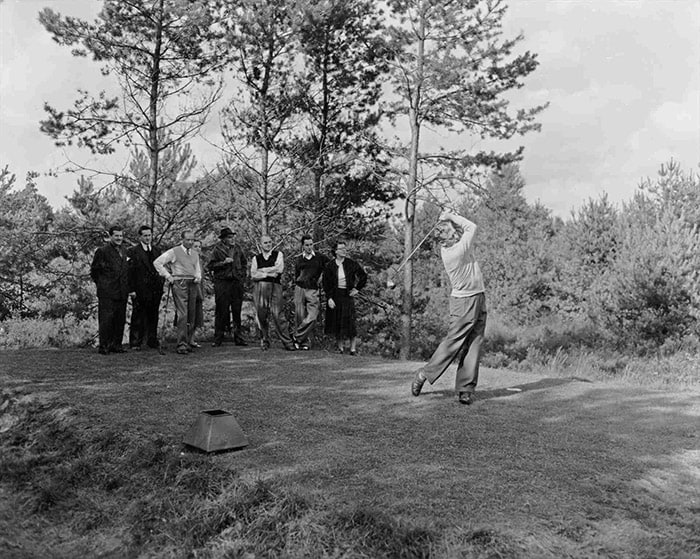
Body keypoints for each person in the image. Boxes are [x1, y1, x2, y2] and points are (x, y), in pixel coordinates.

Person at [410, 210, 487, 406]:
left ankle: (465, 389)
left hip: (478, 296)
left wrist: (448, 219)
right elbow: (472, 227)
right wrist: (451, 216)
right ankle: (424, 374)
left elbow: (464, 230)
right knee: (454, 342)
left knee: (474, 343)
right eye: (454, 232)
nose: (457, 233)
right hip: (464, 302)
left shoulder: (455, 245)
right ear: (450, 237)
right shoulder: (457, 251)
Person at [153, 230, 202, 355]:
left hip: (193, 282)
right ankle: (181, 344)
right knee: (183, 313)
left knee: (192, 313)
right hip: (180, 282)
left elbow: (197, 268)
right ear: (182, 240)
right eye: (188, 240)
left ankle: (188, 341)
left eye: (192, 240)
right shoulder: (174, 251)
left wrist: (198, 276)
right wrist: (168, 276)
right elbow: (157, 262)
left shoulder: (195, 253)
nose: (190, 242)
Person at [251, 234, 296, 351]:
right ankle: (264, 340)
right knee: (261, 314)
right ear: (261, 244)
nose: (268, 244)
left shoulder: (278, 255)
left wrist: (262, 271)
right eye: (265, 242)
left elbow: (279, 270)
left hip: (275, 286)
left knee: (278, 314)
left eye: (270, 242)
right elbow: (253, 275)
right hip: (260, 287)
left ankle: (287, 342)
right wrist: (268, 273)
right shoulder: (256, 258)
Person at [322, 240, 367, 355]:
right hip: (336, 295)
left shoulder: (351, 263)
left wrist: (357, 289)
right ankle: (340, 348)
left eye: (345, 249)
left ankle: (353, 349)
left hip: (347, 295)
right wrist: (329, 298)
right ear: (336, 251)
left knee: (350, 322)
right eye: (341, 249)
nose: (344, 251)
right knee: (337, 321)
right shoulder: (330, 266)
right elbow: (326, 284)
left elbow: (363, 276)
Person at [90, 225, 130, 354]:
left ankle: (116, 345)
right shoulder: (102, 251)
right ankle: (104, 346)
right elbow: (94, 271)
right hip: (107, 291)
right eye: (116, 236)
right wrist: (103, 284)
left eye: (121, 236)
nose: (119, 238)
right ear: (110, 236)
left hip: (122, 291)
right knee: (106, 320)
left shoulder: (124, 250)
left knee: (120, 319)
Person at [208, 227, 248, 347]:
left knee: (237, 310)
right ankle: (218, 338)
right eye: (229, 237)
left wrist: (242, 276)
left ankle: (238, 337)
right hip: (222, 283)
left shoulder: (238, 248)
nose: (232, 239)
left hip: (236, 283)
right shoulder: (217, 249)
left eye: (233, 237)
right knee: (221, 311)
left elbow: (244, 263)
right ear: (224, 239)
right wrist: (223, 263)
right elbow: (210, 265)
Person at [127, 225, 164, 350]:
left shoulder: (157, 250)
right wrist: (131, 289)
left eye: (149, 235)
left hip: (155, 289)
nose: (148, 238)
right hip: (139, 289)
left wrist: (161, 282)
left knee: (153, 315)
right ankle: (135, 342)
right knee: (138, 315)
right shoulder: (133, 251)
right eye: (145, 235)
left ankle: (151, 340)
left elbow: (161, 268)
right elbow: (129, 272)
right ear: (140, 237)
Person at [292, 235, 328, 350]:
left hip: (313, 289)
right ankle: (303, 343)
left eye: (311, 244)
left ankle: (296, 337)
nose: (309, 247)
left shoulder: (320, 257)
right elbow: (296, 275)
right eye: (306, 245)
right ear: (303, 246)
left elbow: (330, 267)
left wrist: (322, 277)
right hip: (300, 288)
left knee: (312, 316)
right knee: (299, 316)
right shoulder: (299, 259)